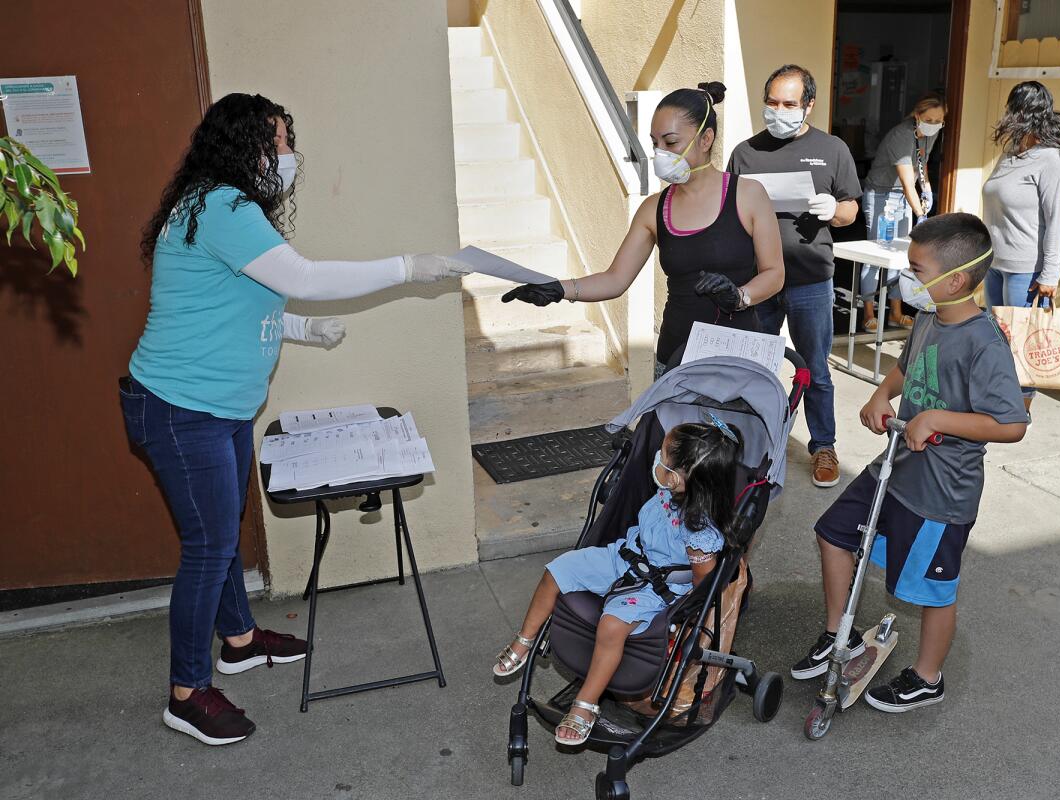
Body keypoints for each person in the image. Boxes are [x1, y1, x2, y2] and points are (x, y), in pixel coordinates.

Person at [120, 93, 469, 746]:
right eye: (279, 143)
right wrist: (408, 267)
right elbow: (302, 275)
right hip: (180, 409)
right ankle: (187, 691)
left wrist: (302, 330)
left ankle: (241, 641)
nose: (289, 155)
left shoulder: (219, 205)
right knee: (209, 546)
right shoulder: (220, 205)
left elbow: (235, 298)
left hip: (213, 408)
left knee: (221, 531)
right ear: (244, 146)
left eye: (287, 141)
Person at [791, 214, 1027, 713]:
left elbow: (1011, 424)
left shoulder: (985, 343)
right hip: (896, 468)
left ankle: (927, 677)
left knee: (932, 590)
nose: (908, 279)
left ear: (956, 280)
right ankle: (841, 635)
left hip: (942, 492)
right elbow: (905, 366)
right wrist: (881, 394)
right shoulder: (926, 317)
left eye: (917, 269)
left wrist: (941, 417)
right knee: (833, 534)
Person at [501, 82, 785, 377]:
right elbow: (614, 279)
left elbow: (774, 274)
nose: (660, 153)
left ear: (706, 139)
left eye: (671, 142)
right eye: (654, 143)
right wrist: (558, 289)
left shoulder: (748, 195)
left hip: (738, 361)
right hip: (676, 360)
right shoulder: (654, 208)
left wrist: (740, 296)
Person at [493, 419, 741, 744]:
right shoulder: (669, 491)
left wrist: (680, 615)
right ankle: (527, 641)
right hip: (622, 558)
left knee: (612, 624)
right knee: (557, 570)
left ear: (678, 478)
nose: (657, 457)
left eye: (662, 455)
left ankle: (586, 704)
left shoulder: (698, 533)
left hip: (656, 587)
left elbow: (704, 584)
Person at [727, 65, 861, 488]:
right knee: (756, 365)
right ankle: (757, 442)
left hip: (810, 280)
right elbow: (728, 212)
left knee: (816, 368)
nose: (778, 111)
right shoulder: (745, 152)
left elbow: (851, 211)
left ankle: (823, 445)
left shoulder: (833, 148)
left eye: (789, 104)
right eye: (772, 103)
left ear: (809, 105)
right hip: (758, 280)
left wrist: (832, 209)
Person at [982, 80, 1060, 421]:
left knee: (1022, 342)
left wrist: (1050, 274)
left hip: (1026, 269)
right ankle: (1000, 398)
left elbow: (1057, 221)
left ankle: (1019, 409)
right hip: (995, 264)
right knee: (998, 339)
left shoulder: (1054, 160)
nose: (1009, 116)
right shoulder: (1010, 155)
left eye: (1015, 109)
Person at [860, 92, 947, 332]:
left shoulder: (932, 132)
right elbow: (907, 180)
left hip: (903, 195)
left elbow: (923, 165)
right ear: (917, 116)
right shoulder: (901, 135)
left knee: (900, 254)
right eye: (929, 120)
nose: (934, 125)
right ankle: (869, 312)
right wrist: (921, 215)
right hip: (882, 194)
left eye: (938, 121)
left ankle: (895, 313)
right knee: (876, 254)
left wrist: (927, 190)